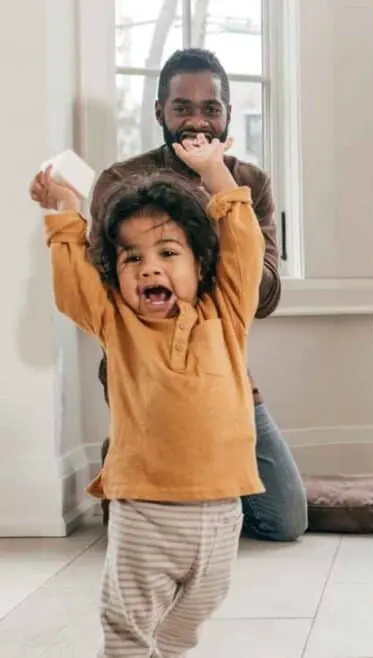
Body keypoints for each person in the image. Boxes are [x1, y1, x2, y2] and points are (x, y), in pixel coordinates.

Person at [31, 137, 262, 655]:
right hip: (145, 514)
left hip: (222, 511)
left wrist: (215, 172)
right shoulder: (117, 322)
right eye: (131, 257)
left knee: (190, 619)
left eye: (168, 253)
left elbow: (245, 245)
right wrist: (66, 211)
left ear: (200, 265)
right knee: (128, 627)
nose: (149, 268)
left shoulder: (225, 314)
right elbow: (73, 285)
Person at [89, 48, 308, 542]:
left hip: (221, 371)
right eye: (182, 107)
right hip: (141, 373)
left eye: (211, 108)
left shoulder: (247, 183)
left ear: (227, 113)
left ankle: (200, 482)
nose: (197, 121)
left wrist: (220, 203)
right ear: (159, 112)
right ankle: (131, 457)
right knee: (156, 531)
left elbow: (265, 297)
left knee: (286, 520)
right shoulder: (120, 181)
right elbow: (105, 286)